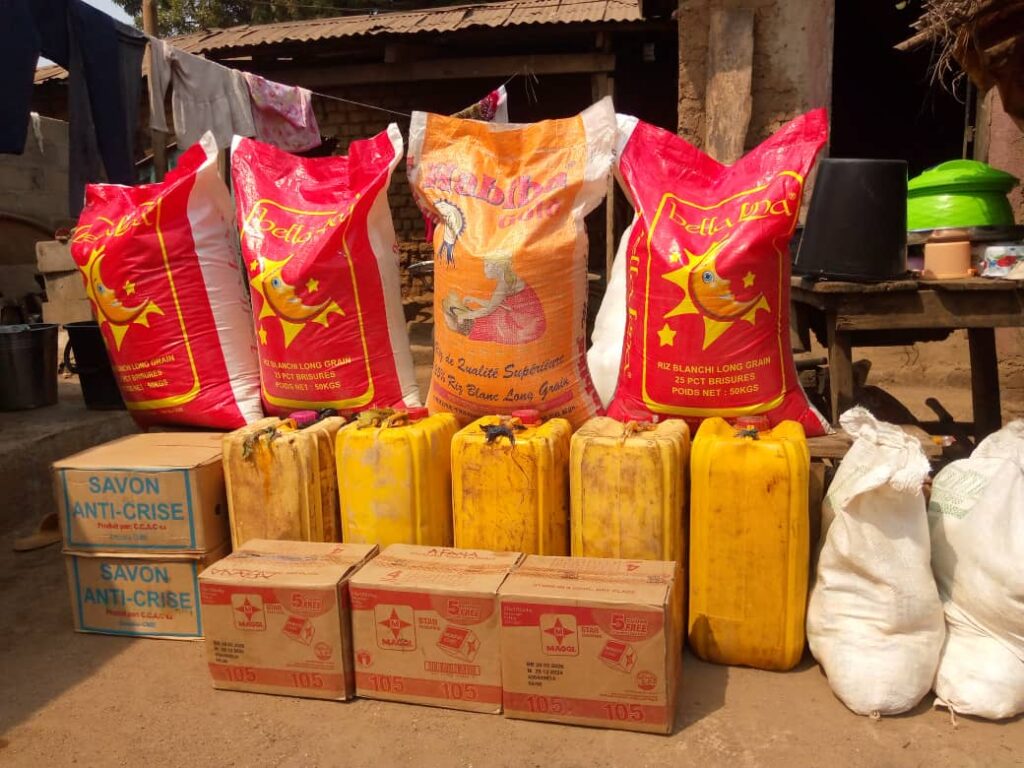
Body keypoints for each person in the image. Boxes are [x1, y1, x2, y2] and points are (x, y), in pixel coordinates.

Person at [443, 253, 546, 345]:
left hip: (525, 328)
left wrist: (465, 315)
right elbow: (495, 304)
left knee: (486, 323)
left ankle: (457, 323)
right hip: (527, 322)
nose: (485, 269)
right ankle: (458, 319)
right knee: (482, 315)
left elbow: (489, 310)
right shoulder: (508, 277)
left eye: (487, 265)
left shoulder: (504, 283)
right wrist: (474, 299)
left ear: (497, 266)